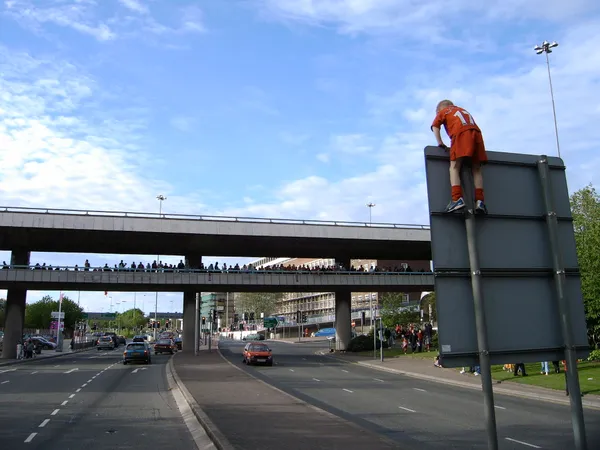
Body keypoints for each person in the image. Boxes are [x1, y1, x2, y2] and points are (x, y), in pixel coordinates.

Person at [431, 100, 488, 214]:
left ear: (439, 110)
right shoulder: (462, 110)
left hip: (461, 133)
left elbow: (435, 126)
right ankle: (480, 201)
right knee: (476, 168)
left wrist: (440, 143)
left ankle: (457, 199)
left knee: (454, 167)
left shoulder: (444, 111)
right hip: (476, 133)